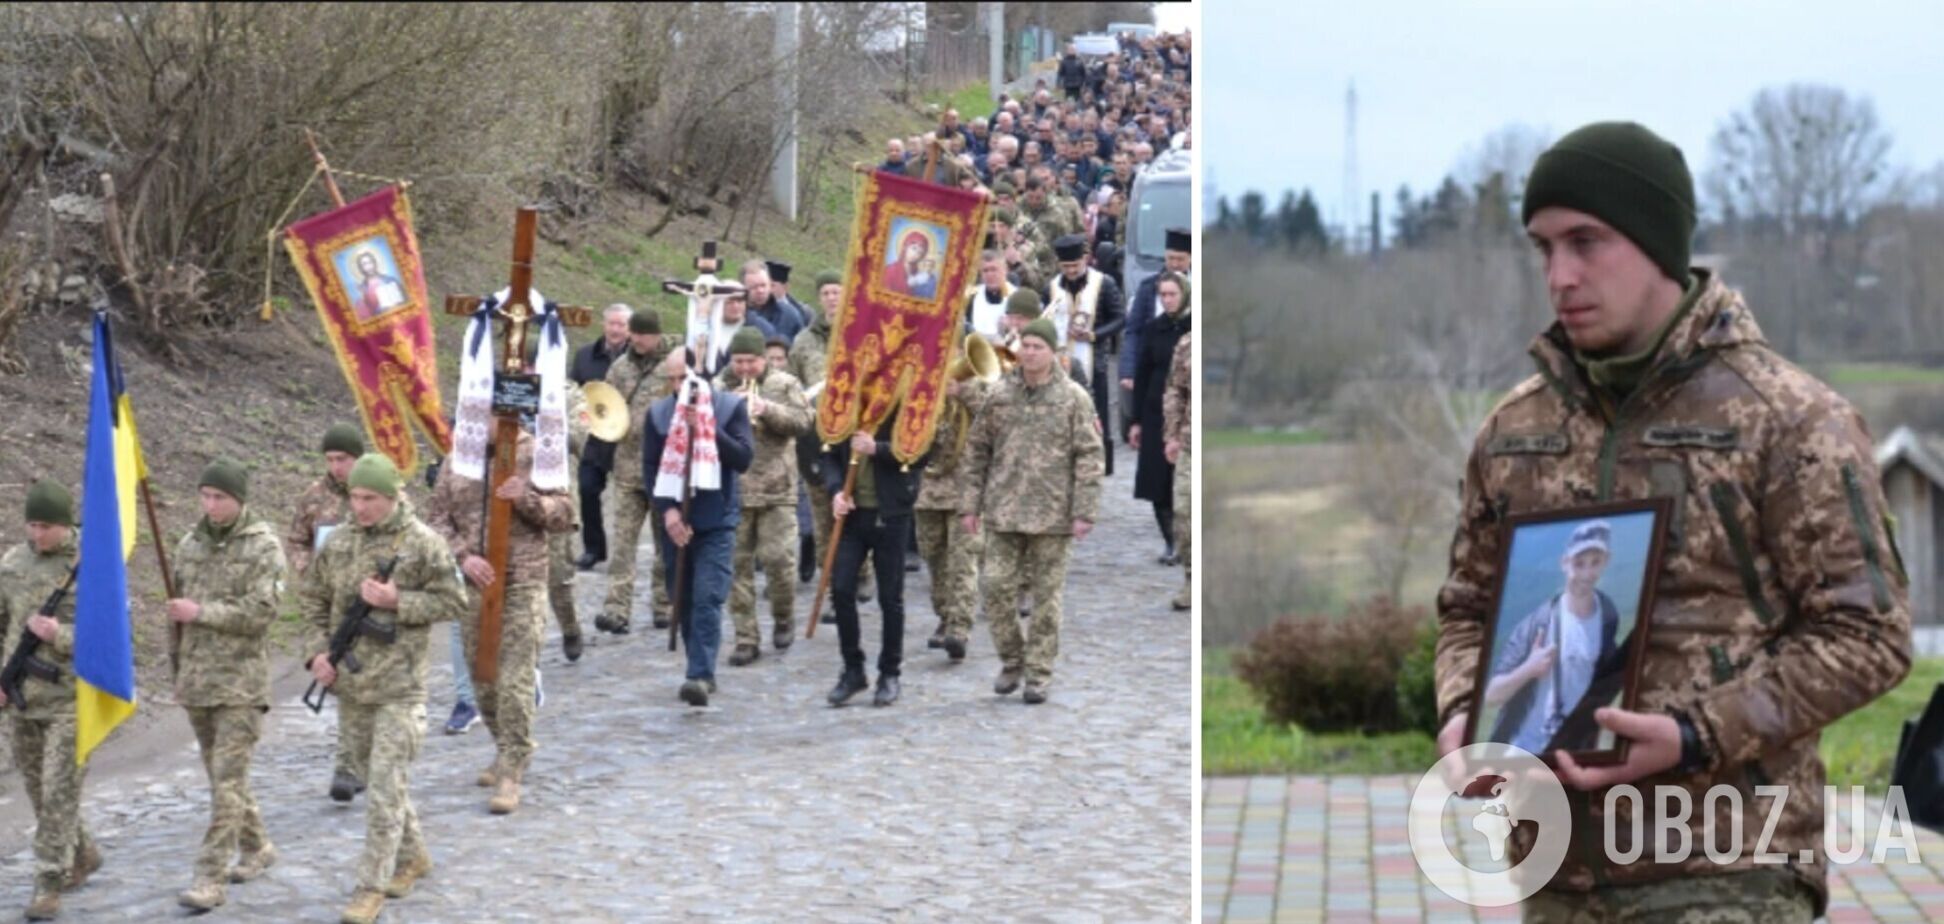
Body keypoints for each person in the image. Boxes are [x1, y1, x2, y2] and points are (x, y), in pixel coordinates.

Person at [1431, 122, 1913, 921]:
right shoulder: (1514, 431)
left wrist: (1693, 732)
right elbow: (1468, 611)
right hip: (1554, 867)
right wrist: (1464, 716)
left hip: (1727, 867)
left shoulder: (1788, 420)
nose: (1561, 275)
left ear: (1657, 245)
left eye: (1587, 242)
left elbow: (1869, 635)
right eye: (1544, 248)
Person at [300, 453, 466, 924]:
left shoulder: (423, 543)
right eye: (354, 496)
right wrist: (316, 655)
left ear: (393, 496)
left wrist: (400, 600)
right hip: (352, 687)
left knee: (385, 790)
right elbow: (311, 600)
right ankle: (413, 856)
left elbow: (456, 599)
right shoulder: (339, 542)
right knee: (379, 782)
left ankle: (369, 887)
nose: (361, 506)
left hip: (401, 687)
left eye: (370, 497)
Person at [424, 419, 573, 815]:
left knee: (515, 676)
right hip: (475, 583)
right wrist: (463, 555)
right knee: (482, 678)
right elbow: (437, 518)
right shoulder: (458, 456)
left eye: (488, 412)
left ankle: (513, 766)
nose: (479, 421)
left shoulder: (537, 452)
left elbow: (564, 514)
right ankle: (504, 745)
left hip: (523, 579)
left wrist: (528, 498)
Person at [958, 319, 1104, 704]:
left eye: (1039, 346)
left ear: (1053, 352)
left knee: (1046, 599)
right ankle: (1012, 659)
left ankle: (1039, 672)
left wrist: (1084, 510)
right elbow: (977, 451)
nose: (1030, 352)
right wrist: (969, 504)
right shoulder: (1000, 394)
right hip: (1004, 511)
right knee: (995, 588)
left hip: (1053, 515)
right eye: (1026, 345)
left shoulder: (1073, 398)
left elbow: (1090, 455)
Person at [169, 460, 286, 911]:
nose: (211, 505)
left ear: (240, 500)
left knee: (226, 783)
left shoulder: (263, 547)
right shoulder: (188, 546)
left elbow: (262, 612)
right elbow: (175, 623)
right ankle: (258, 846)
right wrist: (177, 671)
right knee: (224, 780)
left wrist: (202, 612)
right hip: (198, 682)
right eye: (205, 496)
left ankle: (209, 878)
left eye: (220, 497)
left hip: (240, 684)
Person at [0, 481, 100, 921]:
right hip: (23, 698)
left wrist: (57, 635)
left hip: (71, 700)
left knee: (59, 792)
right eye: (32, 525)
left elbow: (107, 642)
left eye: (46, 526)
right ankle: (84, 853)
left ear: (65, 525)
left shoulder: (90, 565)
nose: (37, 534)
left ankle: (47, 882)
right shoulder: (12, 564)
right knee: (41, 793)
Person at [642, 347, 754, 707]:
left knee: (708, 595)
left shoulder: (729, 407)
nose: (676, 386)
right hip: (676, 521)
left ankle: (700, 675)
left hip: (716, 518)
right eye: (671, 379)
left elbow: (742, 458)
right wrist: (668, 513)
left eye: (682, 378)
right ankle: (698, 660)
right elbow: (650, 470)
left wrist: (707, 428)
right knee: (684, 597)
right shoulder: (658, 414)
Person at [286, 423, 380, 801]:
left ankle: (364, 760)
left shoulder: (379, 492)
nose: (336, 466)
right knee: (340, 677)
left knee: (371, 685)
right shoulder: (314, 497)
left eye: (343, 458)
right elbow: (296, 540)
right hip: (328, 599)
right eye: (330, 459)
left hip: (371, 600)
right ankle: (348, 766)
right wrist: (306, 569)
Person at [1483, 521, 1626, 756]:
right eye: (1579, 564)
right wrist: (1529, 668)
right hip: (1524, 752)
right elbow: (1492, 695)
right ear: (1564, 563)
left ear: (1606, 561)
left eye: (1595, 563)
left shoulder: (1608, 617)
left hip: (1575, 753)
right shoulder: (1536, 625)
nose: (1587, 574)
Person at [718, 327, 812, 666]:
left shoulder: (785, 384)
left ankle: (784, 616)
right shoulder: (719, 386)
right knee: (736, 567)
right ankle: (746, 637)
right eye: (738, 361)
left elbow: (804, 421)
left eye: (751, 361)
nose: (744, 368)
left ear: (762, 359)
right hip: (734, 491)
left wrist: (765, 408)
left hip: (777, 490)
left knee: (779, 561)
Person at [821, 415, 929, 707]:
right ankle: (853, 669)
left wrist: (878, 449)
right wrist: (835, 491)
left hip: (891, 514)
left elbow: (922, 452)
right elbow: (828, 452)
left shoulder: (904, 404)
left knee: (890, 598)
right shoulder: (850, 404)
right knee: (842, 590)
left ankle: (889, 673)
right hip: (853, 516)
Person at [914, 339, 994, 660]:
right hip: (928, 490)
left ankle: (960, 627)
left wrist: (962, 392)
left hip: (967, 488)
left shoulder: (979, 386)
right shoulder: (919, 382)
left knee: (963, 560)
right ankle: (945, 615)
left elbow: (994, 421)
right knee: (934, 558)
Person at [598, 308, 674, 635]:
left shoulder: (673, 366)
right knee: (623, 543)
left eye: (643, 334)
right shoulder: (620, 367)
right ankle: (616, 608)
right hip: (628, 469)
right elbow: (605, 405)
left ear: (656, 335)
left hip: (663, 471)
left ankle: (664, 604)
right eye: (634, 333)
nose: (637, 339)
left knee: (664, 544)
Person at [1045, 234, 1125, 478]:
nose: (1070, 271)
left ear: (1085, 260)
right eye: (1066, 267)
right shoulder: (1052, 287)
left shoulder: (1104, 283)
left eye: (1075, 266)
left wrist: (1093, 335)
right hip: (1059, 361)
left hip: (1094, 363)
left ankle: (1096, 467)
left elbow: (1120, 318)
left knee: (1095, 415)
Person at [1130, 272, 1190, 566]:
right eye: (1162, 295)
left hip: (1184, 414)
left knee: (1181, 482)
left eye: (1172, 294)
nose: (1167, 300)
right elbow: (1141, 373)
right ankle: (1170, 542)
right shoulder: (1153, 328)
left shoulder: (1193, 327)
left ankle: (1185, 541)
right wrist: (1136, 420)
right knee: (1157, 482)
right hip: (1155, 411)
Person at [570, 304, 633, 570]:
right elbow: (573, 390)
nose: (616, 329)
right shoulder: (585, 356)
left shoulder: (638, 357)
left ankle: (625, 553)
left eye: (621, 325)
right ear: (604, 325)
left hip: (628, 440)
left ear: (629, 329)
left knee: (630, 498)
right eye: (612, 323)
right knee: (587, 490)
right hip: (595, 439)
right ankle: (594, 548)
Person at [1121, 227, 1191, 436]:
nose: (1175, 264)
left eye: (1180, 259)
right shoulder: (1148, 287)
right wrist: (1128, 369)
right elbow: (1133, 331)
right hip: (1155, 371)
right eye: (1170, 259)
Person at [1162, 327, 1192, 612]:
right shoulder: (1187, 343)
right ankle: (1191, 578)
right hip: (1189, 444)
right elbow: (1175, 391)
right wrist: (1171, 435)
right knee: (1183, 512)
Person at [744, 259, 806, 345]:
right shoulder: (737, 317)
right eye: (754, 287)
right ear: (743, 288)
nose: (760, 291)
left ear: (769, 285)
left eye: (763, 285)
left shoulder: (789, 315)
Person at [351, 249, 406, 319]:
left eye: (370, 262)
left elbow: (404, 300)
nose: (368, 267)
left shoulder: (390, 280)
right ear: (361, 268)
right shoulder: (362, 289)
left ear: (375, 263)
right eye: (364, 264)